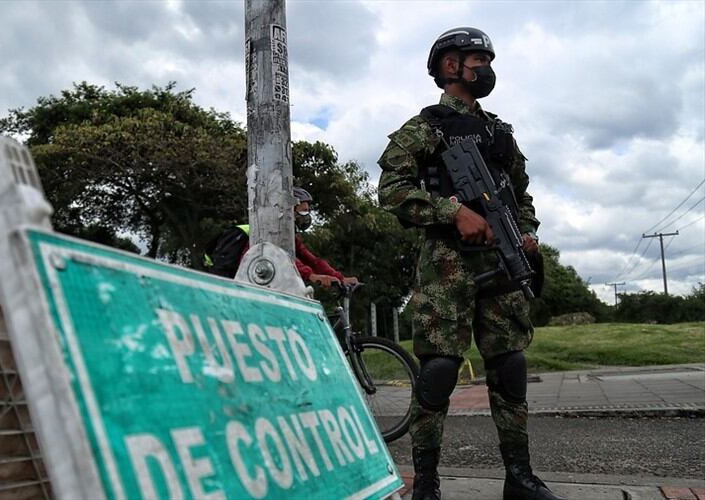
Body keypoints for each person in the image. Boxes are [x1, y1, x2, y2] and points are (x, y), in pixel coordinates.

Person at [377, 28, 562, 500]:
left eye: (487, 58)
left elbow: (522, 194)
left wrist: (528, 234)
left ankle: (520, 479)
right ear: (448, 67)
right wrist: (451, 211)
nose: (485, 67)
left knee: (510, 365)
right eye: (475, 58)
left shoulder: (501, 132)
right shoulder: (424, 128)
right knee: (439, 368)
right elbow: (392, 190)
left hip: (503, 261)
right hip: (447, 266)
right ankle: (428, 484)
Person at [205, 187, 358, 288]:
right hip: (234, 282)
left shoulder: (290, 236)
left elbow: (312, 259)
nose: (306, 216)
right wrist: (311, 276)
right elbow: (285, 259)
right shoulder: (267, 232)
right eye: (303, 211)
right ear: (289, 211)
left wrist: (339, 277)